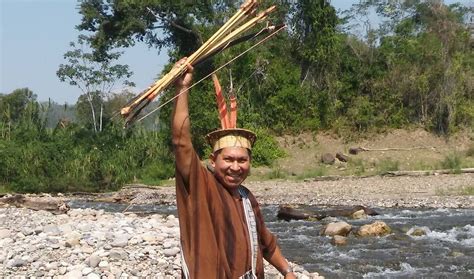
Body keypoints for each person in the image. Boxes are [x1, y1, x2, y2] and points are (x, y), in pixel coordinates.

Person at [171, 57, 297, 279]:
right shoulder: (201, 185)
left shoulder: (247, 198)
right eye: (228, 159)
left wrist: (287, 271)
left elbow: (266, 243)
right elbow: (181, 142)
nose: (235, 167)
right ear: (213, 160)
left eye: (242, 160)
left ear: (250, 163)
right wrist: (182, 88)